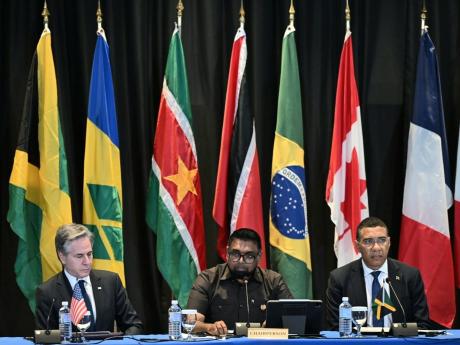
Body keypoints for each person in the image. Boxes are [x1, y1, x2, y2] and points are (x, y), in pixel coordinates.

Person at [35, 223, 143, 334]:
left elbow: (134, 325)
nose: (87, 262)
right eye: (79, 256)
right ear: (62, 257)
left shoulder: (111, 282)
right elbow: (45, 337)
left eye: (89, 254)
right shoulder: (47, 292)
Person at [325, 216, 430, 330]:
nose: (376, 247)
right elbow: (335, 327)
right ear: (358, 246)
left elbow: (422, 325)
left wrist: (394, 333)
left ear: (389, 243)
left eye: (382, 240)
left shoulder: (410, 275)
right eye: (368, 241)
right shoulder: (340, 278)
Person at [187, 229, 293, 336]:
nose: (241, 261)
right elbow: (189, 324)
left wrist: (276, 323)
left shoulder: (273, 280)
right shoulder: (208, 279)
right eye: (235, 254)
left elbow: (294, 318)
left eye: (249, 256)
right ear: (227, 253)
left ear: (259, 256)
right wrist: (209, 327)